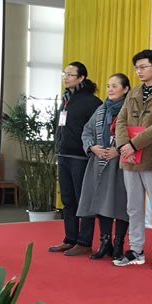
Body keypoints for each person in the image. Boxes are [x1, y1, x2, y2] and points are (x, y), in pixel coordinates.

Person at [114, 49, 152, 269]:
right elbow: (121, 120)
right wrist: (124, 145)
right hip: (129, 158)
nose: (139, 71)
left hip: (151, 158)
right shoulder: (133, 92)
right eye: (136, 68)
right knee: (133, 207)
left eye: (143, 67)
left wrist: (133, 144)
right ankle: (135, 249)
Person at [49, 61, 102, 256]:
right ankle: (69, 239)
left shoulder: (92, 102)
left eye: (70, 74)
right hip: (63, 155)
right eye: (65, 73)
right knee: (67, 199)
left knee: (83, 200)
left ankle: (84, 241)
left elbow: (98, 130)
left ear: (81, 78)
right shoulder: (66, 99)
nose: (66, 77)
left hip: (81, 157)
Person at [77, 73, 131, 261]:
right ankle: (104, 241)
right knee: (102, 201)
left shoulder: (130, 109)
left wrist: (119, 149)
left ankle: (119, 243)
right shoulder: (101, 110)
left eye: (115, 86)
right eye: (108, 86)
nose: (110, 89)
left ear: (125, 89)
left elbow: (136, 134)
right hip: (99, 162)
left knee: (122, 202)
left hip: (122, 163)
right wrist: (92, 147)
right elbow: (86, 131)